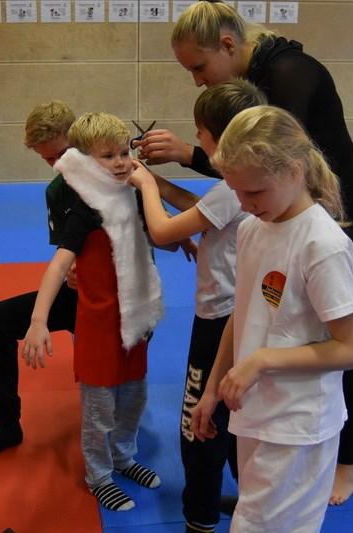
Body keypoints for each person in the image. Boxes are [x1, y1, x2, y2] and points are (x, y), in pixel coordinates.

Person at [136, 0, 353, 504]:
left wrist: (261, 359)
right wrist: (222, 382)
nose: (197, 81)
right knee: (272, 311)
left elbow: (262, 165)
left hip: (334, 207)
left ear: (227, 44)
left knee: (329, 320)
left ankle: (347, 459)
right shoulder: (251, 212)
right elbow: (247, 180)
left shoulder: (288, 75)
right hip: (283, 209)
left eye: (199, 66)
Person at [191, 105, 353, 532]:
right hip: (256, 410)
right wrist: (211, 390)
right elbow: (243, 313)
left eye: (255, 192)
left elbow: (351, 349)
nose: (244, 205)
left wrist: (263, 360)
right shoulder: (252, 228)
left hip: (298, 423)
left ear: (294, 171)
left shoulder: (321, 246)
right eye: (236, 192)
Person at [129, 79, 266, 533]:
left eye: (200, 132)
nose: (196, 139)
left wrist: (144, 184)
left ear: (217, 137)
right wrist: (158, 183)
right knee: (235, 411)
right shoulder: (241, 184)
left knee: (199, 421)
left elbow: (164, 231)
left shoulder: (231, 189)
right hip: (244, 314)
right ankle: (250, 499)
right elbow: (203, 209)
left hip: (221, 318)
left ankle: (200, 518)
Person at [22, 112, 164, 512]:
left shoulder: (134, 196)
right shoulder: (83, 211)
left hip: (135, 323)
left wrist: (181, 243)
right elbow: (58, 266)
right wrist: (38, 320)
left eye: (124, 153)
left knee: (133, 399)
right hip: (99, 329)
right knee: (100, 410)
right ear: (85, 162)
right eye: (108, 156)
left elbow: (155, 233)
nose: (120, 163)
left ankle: (123, 457)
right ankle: (99, 476)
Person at [0, 101, 79, 466]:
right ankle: (7, 424)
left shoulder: (114, 172)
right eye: (48, 159)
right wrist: (40, 317)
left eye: (61, 154)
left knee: (107, 386)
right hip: (79, 293)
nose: (57, 164)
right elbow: (65, 254)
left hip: (121, 297)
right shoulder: (58, 190)